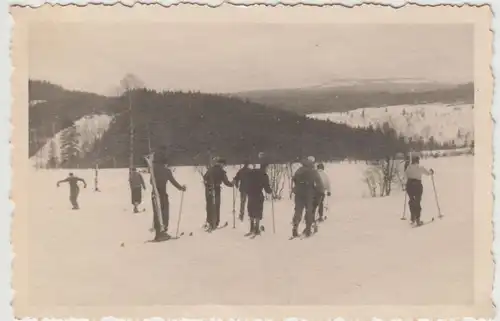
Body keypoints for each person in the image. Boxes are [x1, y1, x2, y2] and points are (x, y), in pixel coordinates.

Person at [150, 148, 187, 241]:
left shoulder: (153, 169)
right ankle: (163, 231)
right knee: (164, 212)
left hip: (154, 194)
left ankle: (158, 232)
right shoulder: (166, 171)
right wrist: (181, 188)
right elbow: (173, 182)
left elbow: (151, 181)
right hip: (162, 193)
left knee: (157, 213)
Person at [291, 156, 324, 237]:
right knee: (309, 211)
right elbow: (319, 182)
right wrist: (320, 191)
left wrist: (297, 187)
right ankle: (308, 229)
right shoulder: (313, 171)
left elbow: (294, 179)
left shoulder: (299, 170)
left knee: (298, 210)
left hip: (299, 193)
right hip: (309, 193)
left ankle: (295, 227)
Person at [203, 157, 234, 232]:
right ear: (222, 164)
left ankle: (209, 221)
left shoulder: (210, 169)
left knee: (209, 206)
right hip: (216, 190)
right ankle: (215, 223)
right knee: (216, 206)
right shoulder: (221, 171)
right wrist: (232, 183)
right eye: (224, 165)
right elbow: (226, 182)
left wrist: (208, 184)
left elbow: (204, 177)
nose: (224, 166)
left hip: (208, 190)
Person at [405, 155, 434, 226]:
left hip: (409, 186)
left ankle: (413, 217)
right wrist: (431, 172)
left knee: (411, 200)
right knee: (417, 202)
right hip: (417, 186)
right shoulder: (420, 168)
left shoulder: (408, 167)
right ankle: (417, 219)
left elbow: (405, 174)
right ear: (417, 161)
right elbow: (428, 173)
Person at [245, 162, 273, 236]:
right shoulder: (264, 175)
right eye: (267, 168)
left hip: (250, 194)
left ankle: (251, 228)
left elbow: (246, 181)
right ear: (265, 167)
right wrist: (270, 191)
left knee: (251, 210)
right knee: (258, 211)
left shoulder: (252, 172)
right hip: (258, 195)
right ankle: (256, 228)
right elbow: (267, 188)